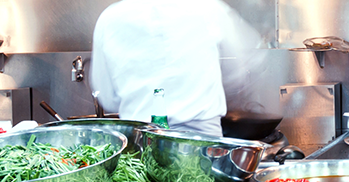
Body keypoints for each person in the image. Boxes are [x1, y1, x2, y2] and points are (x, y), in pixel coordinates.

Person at [88, 0, 265, 137]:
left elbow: (107, 97)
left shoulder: (110, 18)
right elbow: (239, 70)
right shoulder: (207, 8)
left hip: (143, 141)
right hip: (202, 141)